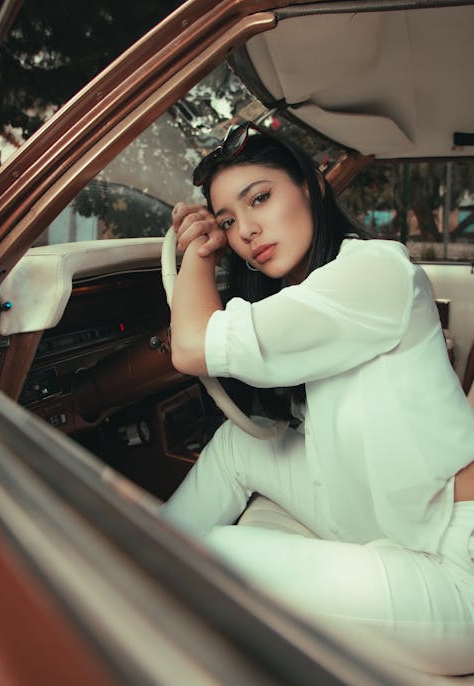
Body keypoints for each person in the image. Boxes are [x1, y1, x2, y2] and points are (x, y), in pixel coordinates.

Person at [161, 121, 474, 675]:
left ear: (311, 187)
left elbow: (190, 346)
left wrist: (201, 254)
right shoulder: (312, 291)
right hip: (397, 514)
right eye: (229, 222)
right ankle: (142, 555)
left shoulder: (372, 272)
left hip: (456, 567)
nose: (248, 231)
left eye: (260, 198)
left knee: (224, 555)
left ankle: (138, 580)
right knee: (240, 443)